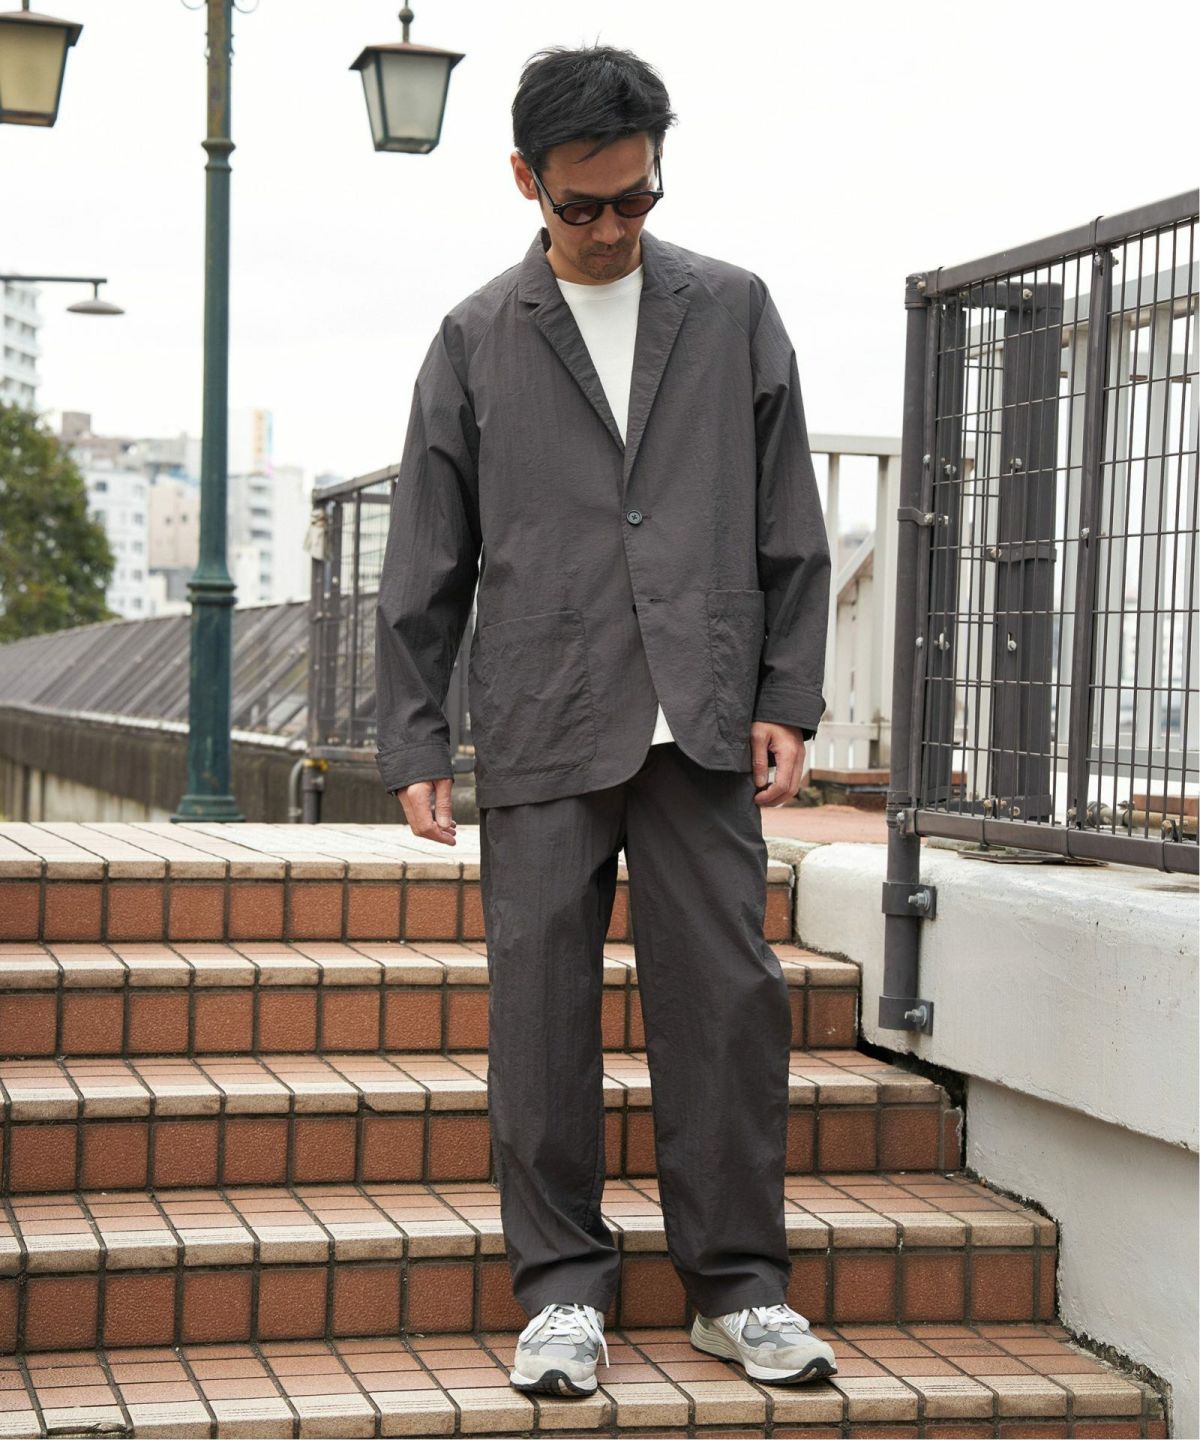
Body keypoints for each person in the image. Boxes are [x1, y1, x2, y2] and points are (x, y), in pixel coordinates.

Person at [375, 43, 836, 1399]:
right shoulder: (476, 336)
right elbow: (427, 551)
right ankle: (563, 1293)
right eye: (584, 205)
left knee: (729, 1002)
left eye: (636, 198)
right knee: (540, 1012)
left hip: (698, 711)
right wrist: (415, 736)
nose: (613, 227)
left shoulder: (733, 309)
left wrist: (787, 696)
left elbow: (789, 521)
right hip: (542, 710)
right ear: (526, 182)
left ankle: (738, 1289)